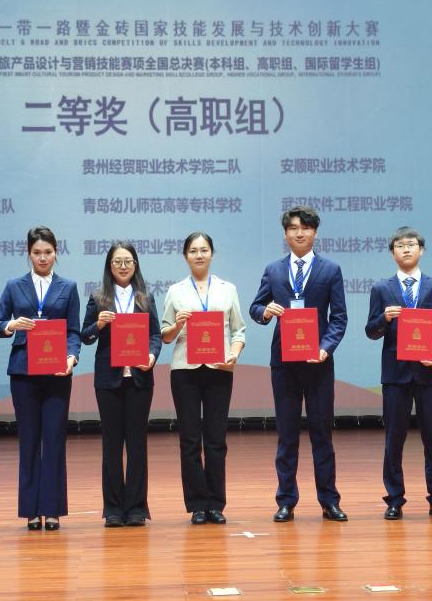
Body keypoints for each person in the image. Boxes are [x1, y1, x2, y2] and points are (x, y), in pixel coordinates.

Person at [250, 205, 348, 522]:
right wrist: (265, 312)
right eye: (293, 228)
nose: (299, 233)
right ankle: (286, 501)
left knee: (322, 435)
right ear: (285, 234)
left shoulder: (330, 270)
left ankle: (329, 501)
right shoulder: (274, 270)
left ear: (315, 232)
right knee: (287, 435)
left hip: (318, 364)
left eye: (305, 228)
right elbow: (255, 307)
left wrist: (325, 348)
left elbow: (339, 318)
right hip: (284, 363)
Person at [0, 226, 80, 530]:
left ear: (56, 253)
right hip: (23, 372)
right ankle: (30, 509)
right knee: (29, 440)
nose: (43, 258)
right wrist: (12, 324)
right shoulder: (14, 286)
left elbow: (73, 331)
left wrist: (71, 357)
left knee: (54, 440)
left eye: (48, 252)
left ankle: (52, 509)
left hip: (57, 373)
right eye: (37, 252)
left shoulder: (68, 287)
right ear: (28, 254)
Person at [365, 227, 432, 520]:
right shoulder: (381, 289)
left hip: (429, 374)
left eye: (411, 244)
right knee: (394, 440)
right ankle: (394, 499)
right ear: (392, 253)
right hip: (396, 376)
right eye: (400, 246)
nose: (406, 249)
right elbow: (371, 331)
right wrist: (384, 318)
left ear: (421, 250)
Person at [160, 231, 246, 525]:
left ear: (212, 253)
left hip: (219, 368)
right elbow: (165, 335)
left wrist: (234, 353)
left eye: (204, 250)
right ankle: (197, 504)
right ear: (185, 256)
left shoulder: (227, 289)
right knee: (189, 439)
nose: (199, 255)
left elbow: (238, 329)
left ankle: (216, 504)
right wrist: (177, 325)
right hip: (184, 370)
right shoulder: (175, 291)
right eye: (193, 251)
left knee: (216, 438)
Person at [80, 240, 162, 527]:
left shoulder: (145, 297)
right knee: (112, 445)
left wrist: (151, 356)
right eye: (118, 262)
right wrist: (99, 324)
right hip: (108, 380)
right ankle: (113, 508)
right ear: (109, 266)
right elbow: (85, 336)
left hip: (139, 378)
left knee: (137, 444)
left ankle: (137, 508)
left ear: (135, 265)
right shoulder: (99, 297)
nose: (123, 266)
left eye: (128, 261)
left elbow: (155, 335)